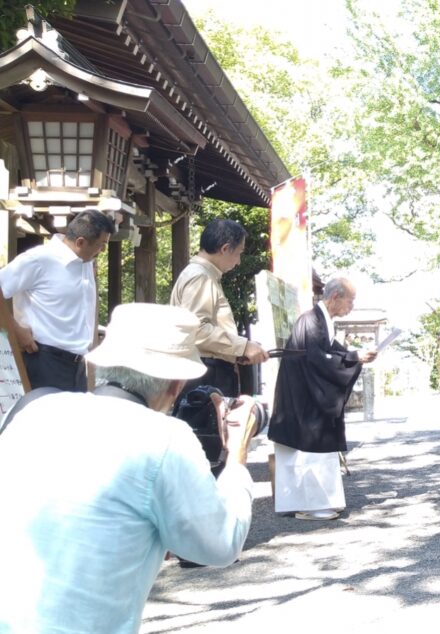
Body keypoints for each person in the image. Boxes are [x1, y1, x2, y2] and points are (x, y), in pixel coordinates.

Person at [0, 303, 256, 633]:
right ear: (175, 385)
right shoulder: (164, 438)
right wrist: (237, 454)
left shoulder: (33, 411)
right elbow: (219, 545)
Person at [268, 275, 376, 520]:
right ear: (335, 297)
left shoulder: (320, 321)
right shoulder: (312, 321)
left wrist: (356, 355)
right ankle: (310, 505)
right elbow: (318, 361)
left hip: (307, 394)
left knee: (312, 449)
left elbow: (333, 352)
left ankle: (315, 502)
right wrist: (354, 359)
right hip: (305, 397)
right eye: (351, 300)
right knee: (310, 447)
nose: (352, 306)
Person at [0, 209, 114, 391]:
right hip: (44, 359)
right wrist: (16, 331)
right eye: (101, 245)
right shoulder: (39, 259)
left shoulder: (85, 262)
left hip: (77, 365)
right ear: (80, 242)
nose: (103, 250)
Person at [170, 219, 268, 397]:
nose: (238, 262)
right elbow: (196, 329)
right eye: (238, 253)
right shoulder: (200, 276)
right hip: (205, 374)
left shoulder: (203, 275)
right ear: (225, 248)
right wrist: (242, 346)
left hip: (206, 371)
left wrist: (237, 352)